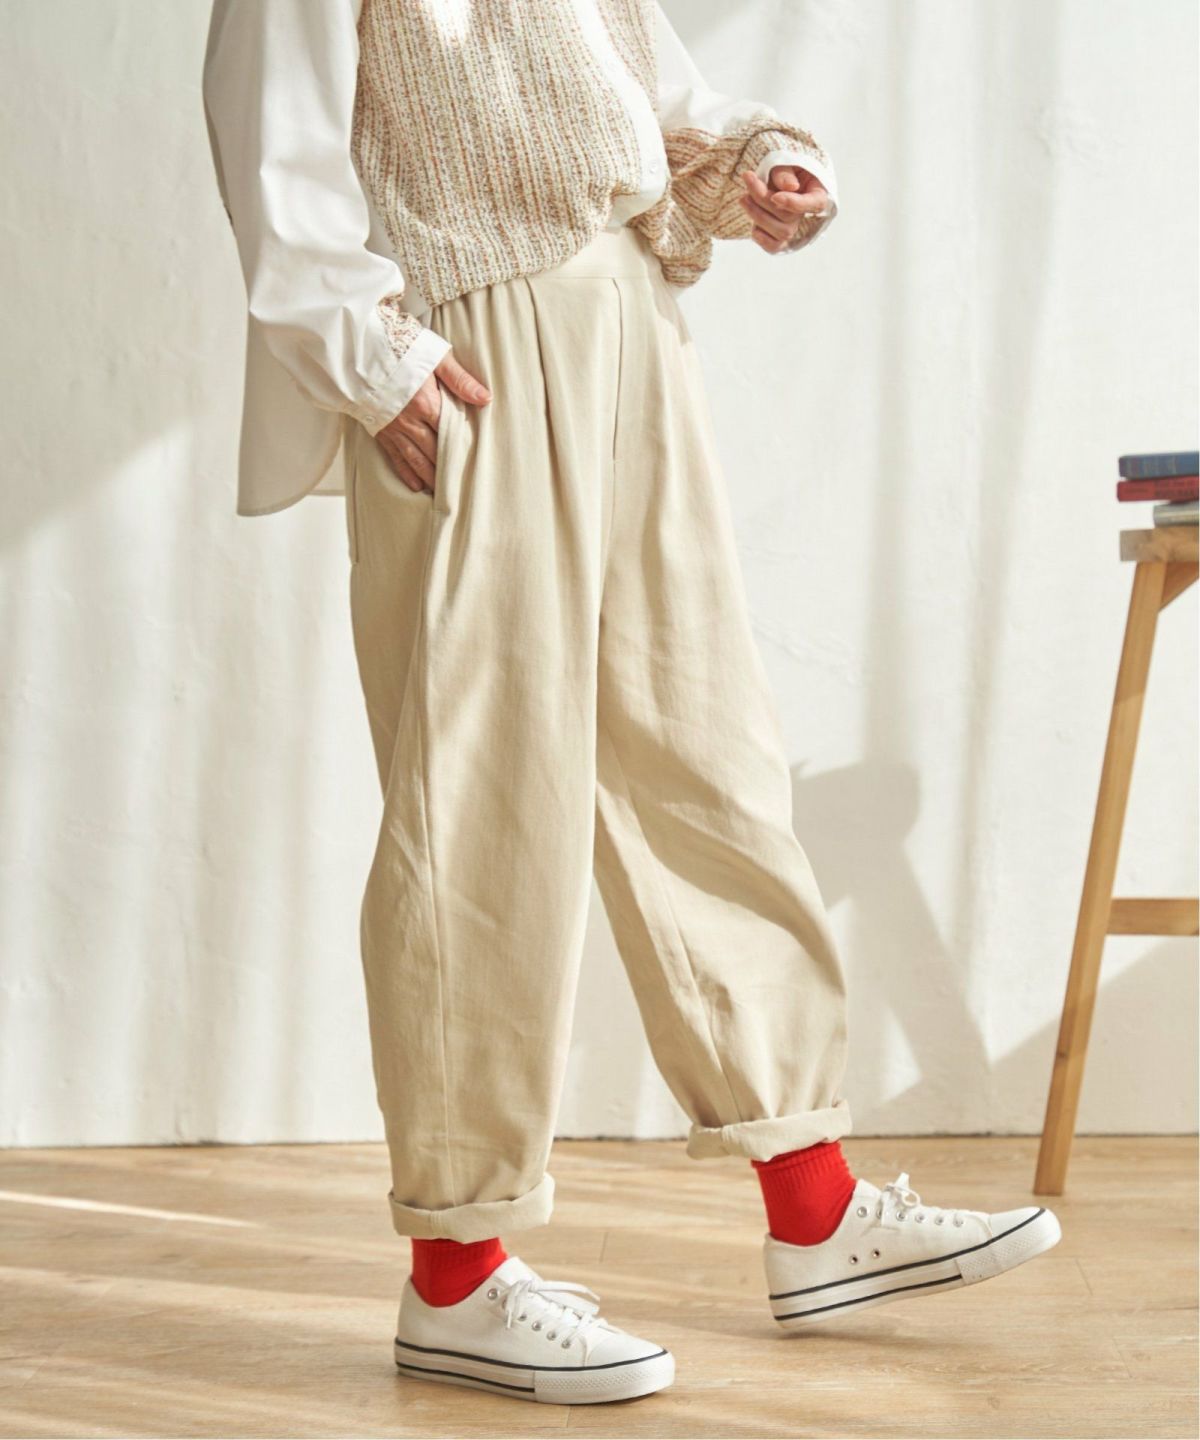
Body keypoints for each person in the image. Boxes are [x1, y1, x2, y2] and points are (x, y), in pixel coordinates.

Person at [202, 0, 1061, 1407]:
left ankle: (813, 1208)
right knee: (484, 806)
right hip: (474, 352)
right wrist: (374, 363)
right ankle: (457, 1275)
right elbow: (270, 137)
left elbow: (643, 97)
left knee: (705, 755)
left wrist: (756, 162)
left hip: (634, 332)